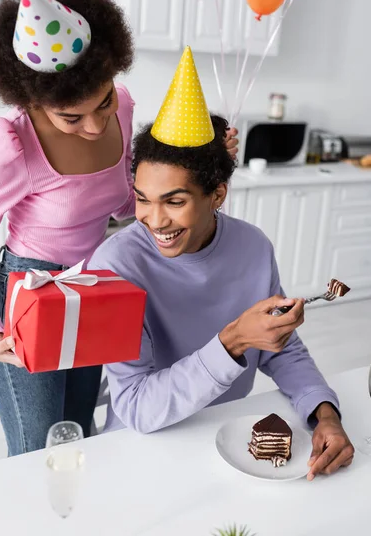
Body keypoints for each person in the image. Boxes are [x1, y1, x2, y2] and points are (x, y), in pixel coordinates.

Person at [0, 0, 240, 456]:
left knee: (82, 432)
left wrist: (206, 159)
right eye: (71, 117)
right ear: (33, 100)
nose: (94, 125)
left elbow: (128, 204)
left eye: (103, 102)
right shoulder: (13, 146)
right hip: (31, 292)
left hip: (97, 284)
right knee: (37, 448)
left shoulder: (124, 109)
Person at [89, 48, 354, 481]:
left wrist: (324, 412)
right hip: (144, 452)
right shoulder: (114, 267)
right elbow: (136, 407)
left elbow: (282, 349)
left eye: (174, 201)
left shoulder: (253, 247)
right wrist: (231, 341)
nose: (155, 220)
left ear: (217, 195)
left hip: (230, 446)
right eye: (142, 199)